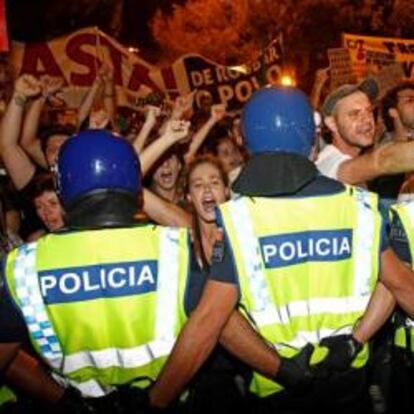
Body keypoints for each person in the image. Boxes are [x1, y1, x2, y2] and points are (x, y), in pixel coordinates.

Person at [148, 86, 409, 414]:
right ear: (313, 140)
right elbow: (401, 285)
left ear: (245, 141)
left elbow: (210, 321)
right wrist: (355, 340)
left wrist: (155, 401)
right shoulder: (358, 208)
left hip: (277, 392)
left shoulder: (239, 219)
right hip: (348, 382)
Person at [0, 129, 193, 413]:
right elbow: (209, 328)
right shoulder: (176, 249)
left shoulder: (23, 267)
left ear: (61, 187)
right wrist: (157, 398)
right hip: (169, 401)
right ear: (135, 185)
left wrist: (63, 401)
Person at [316, 78, 414, 187]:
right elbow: (382, 161)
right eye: (354, 114)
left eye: (369, 111)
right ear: (332, 124)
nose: (367, 119)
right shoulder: (328, 164)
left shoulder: (356, 165)